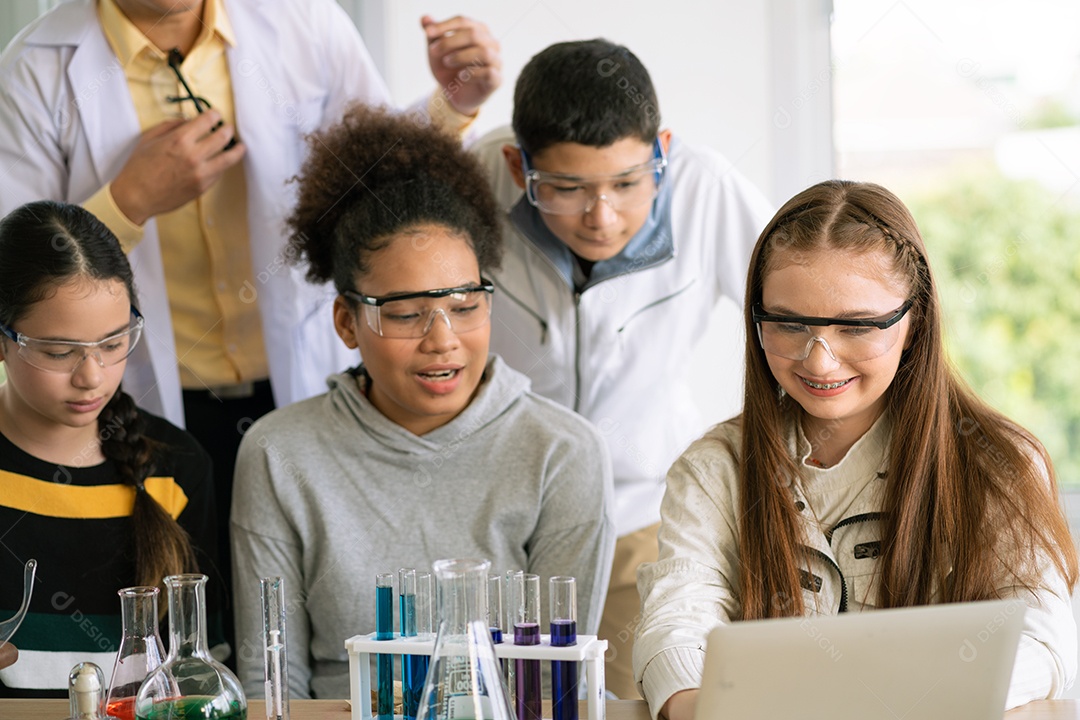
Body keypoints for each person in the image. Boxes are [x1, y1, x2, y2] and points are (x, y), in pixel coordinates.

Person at [0, 0, 501, 658]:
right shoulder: (37, 69)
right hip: (145, 420)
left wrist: (452, 102)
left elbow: (374, 176)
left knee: (302, 633)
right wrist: (126, 202)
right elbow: (20, 260)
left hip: (299, 395)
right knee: (187, 646)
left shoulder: (303, 22)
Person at [633, 180, 1079, 719]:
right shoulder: (713, 469)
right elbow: (677, 623)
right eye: (789, 324)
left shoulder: (996, 463)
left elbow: (1042, 639)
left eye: (857, 327)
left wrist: (903, 699)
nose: (819, 361)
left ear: (914, 324)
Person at [230, 105, 617, 699]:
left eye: (465, 307)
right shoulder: (279, 453)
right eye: (407, 314)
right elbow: (272, 687)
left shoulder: (562, 453)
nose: (443, 341)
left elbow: (552, 688)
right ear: (346, 322)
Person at [468, 39, 774, 697]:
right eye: (568, 189)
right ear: (518, 167)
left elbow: (797, 296)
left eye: (628, 184)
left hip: (639, 514)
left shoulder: (705, 188)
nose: (601, 217)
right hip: (496, 517)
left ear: (661, 148)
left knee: (643, 695)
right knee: (496, 699)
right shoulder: (476, 179)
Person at [0, 201, 220, 697]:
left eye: (114, 342)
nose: (92, 376)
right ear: (4, 339)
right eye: (59, 352)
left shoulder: (177, 470)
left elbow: (206, 673)